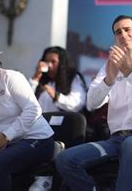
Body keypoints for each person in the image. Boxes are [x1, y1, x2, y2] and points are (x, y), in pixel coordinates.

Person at [55, 15, 132, 191]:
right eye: (118, 32)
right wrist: (108, 80)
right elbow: (91, 104)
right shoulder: (109, 67)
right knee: (65, 159)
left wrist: (128, 72)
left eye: (127, 30)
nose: (123, 35)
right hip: (116, 141)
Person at [0, 41, 55, 191]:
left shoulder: (10, 78)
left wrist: (6, 135)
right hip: (4, 145)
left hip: (37, 139)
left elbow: (33, 109)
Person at [28, 46, 87, 191]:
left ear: (62, 63)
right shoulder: (42, 81)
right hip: (41, 128)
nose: (49, 66)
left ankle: (46, 179)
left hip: (63, 129)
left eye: (53, 62)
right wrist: (36, 77)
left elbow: (76, 103)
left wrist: (55, 95)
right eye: (46, 61)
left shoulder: (73, 77)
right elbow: (26, 100)